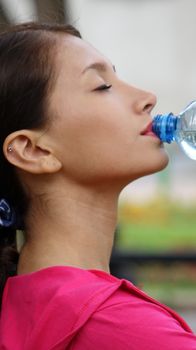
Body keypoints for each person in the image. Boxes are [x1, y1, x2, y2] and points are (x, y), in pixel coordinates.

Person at [0, 22, 195, 350]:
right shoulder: (132, 330)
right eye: (103, 86)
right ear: (33, 151)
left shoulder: (21, 305)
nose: (148, 99)